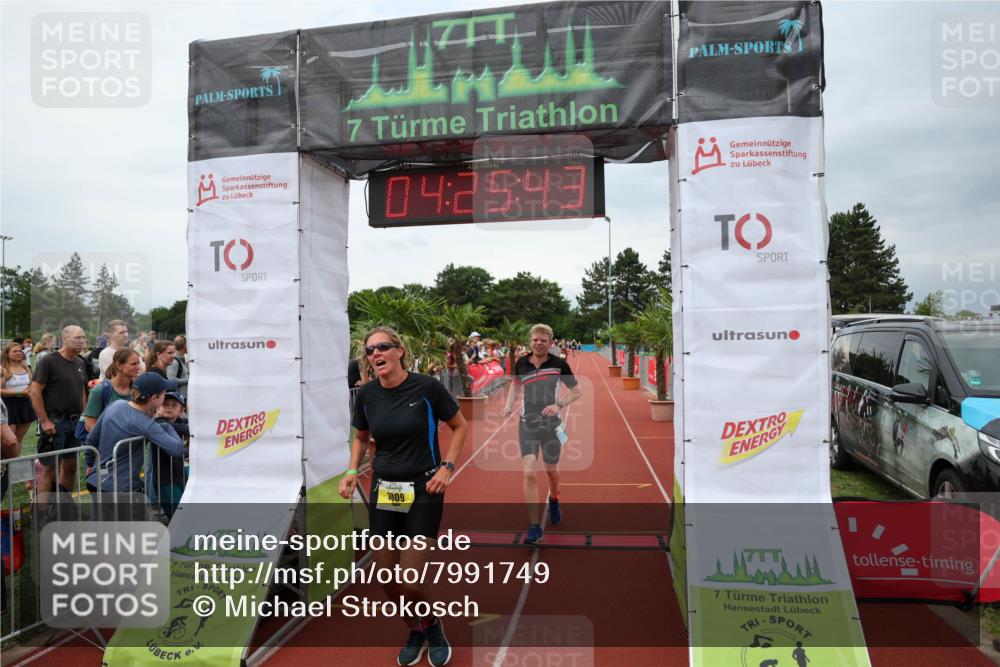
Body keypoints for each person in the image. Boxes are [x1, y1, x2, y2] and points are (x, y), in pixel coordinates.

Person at [339, 326, 468, 667]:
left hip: (424, 488)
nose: (375, 354)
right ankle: (417, 627)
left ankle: (434, 627)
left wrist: (447, 468)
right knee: (386, 581)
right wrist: (352, 471)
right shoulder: (367, 396)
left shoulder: (426, 387)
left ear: (399, 352)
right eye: (369, 351)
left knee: (411, 581)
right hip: (385, 490)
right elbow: (361, 437)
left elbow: (460, 426)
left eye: (382, 347)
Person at [499, 323, 582, 544]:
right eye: (535, 339)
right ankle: (535, 526)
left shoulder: (559, 365)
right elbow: (516, 386)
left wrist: (559, 404)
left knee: (551, 472)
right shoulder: (522, 363)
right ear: (531, 340)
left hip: (552, 426)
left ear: (550, 343)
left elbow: (576, 391)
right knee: (529, 473)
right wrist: (509, 405)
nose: (538, 343)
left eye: (542, 340)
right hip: (527, 425)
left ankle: (554, 499)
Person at [84, 373, 183, 496]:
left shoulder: (116, 405)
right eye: (163, 394)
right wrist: (167, 426)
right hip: (119, 488)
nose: (165, 397)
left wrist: (89, 464)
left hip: (96, 480)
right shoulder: (146, 425)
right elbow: (177, 449)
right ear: (154, 398)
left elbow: (92, 438)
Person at [28, 325, 89, 501]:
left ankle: (63, 509)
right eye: (78, 337)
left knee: (70, 467)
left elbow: (82, 391)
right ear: (65, 339)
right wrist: (45, 420)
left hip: (75, 423)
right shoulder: (49, 361)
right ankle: (40, 514)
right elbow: (34, 391)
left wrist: (84, 417)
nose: (83, 341)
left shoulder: (80, 362)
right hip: (55, 422)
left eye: (84, 337)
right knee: (50, 469)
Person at [80, 348, 142, 436]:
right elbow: (89, 425)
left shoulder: (138, 390)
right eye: (133, 364)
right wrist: (111, 439)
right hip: (107, 446)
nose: (138, 367)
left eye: (138, 363)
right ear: (119, 365)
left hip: (131, 446)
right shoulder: (100, 390)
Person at [153, 390, 189, 518]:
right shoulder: (157, 424)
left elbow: (184, 426)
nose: (169, 407)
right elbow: (178, 428)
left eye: (174, 405)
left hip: (180, 476)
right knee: (178, 516)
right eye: (165, 404)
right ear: (157, 408)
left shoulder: (181, 424)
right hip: (165, 479)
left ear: (181, 410)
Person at [1, 342, 36, 458]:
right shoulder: (4, 370)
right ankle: (6, 465)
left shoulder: (25, 367)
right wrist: (19, 392)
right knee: (10, 440)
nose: (18, 353)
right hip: (9, 406)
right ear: (7, 354)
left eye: (20, 351)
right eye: (14, 351)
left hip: (25, 405)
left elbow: (31, 384)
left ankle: (15, 465)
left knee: (19, 438)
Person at [167, 335, 189, 399]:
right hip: (179, 397)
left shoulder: (181, 357)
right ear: (185, 345)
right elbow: (171, 379)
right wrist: (188, 380)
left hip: (183, 396)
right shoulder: (174, 361)